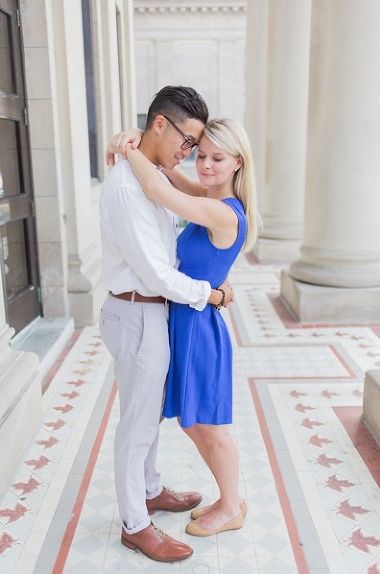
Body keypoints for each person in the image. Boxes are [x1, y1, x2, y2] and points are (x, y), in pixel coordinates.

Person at [99, 86, 234, 562]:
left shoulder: (152, 172)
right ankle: (136, 524)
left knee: (149, 415)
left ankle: (150, 489)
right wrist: (210, 294)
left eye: (199, 148)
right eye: (189, 141)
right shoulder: (126, 187)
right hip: (137, 309)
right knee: (136, 424)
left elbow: (176, 191)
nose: (190, 153)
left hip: (151, 310)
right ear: (161, 124)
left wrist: (130, 144)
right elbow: (157, 272)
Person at [113, 116, 259, 538]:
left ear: (237, 163)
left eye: (217, 158)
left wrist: (131, 152)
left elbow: (158, 188)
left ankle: (232, 505)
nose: (205, 165)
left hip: (199, 330)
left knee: (211, 425)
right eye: (201, 154)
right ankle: (228, 496)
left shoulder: (222, 211)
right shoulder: (209, 195)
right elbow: (170, 175)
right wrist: (136, 138)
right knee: (191, 422)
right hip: (185, 320)